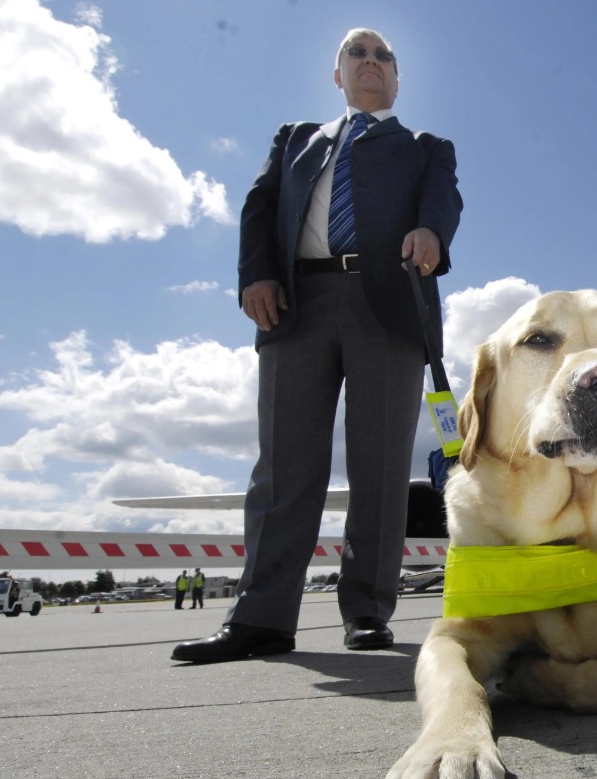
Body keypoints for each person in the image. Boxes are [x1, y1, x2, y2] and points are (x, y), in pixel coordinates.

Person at [172, 27, 461, 664]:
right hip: (295, 305)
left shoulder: (425, 148)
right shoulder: (296, 139)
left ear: (397, 78)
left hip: (389, 306)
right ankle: (261, 617)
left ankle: (367, 609)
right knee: (283, 466)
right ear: (338, 75)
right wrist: (255, 275)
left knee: (380, 466)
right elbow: (259, 206)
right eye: (357, 53)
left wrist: (432, 233)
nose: (370, 62)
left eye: (383, 55)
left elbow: (444, 202)